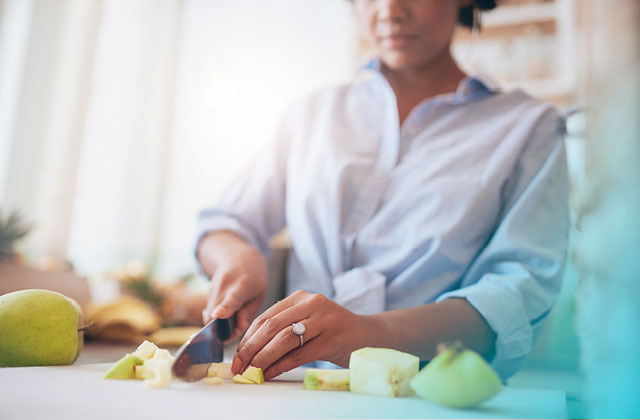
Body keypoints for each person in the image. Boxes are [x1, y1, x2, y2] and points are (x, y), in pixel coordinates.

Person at [195, 0, 569, 382]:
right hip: (295, 393)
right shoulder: (313, 113)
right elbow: (224, 224)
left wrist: (369, 334)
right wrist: (238, 259)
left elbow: (513, 299)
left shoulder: (528, 127)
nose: (390, 9)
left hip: (427, 398)